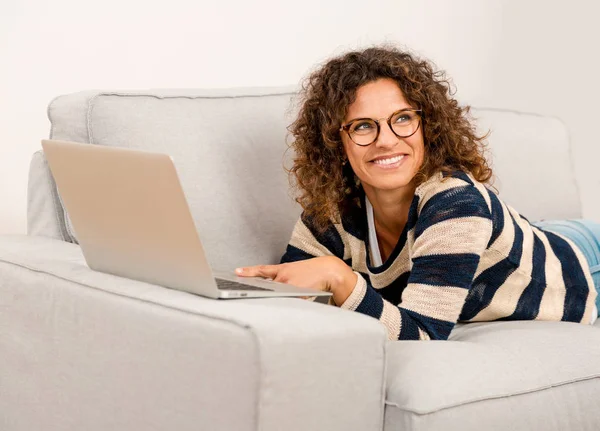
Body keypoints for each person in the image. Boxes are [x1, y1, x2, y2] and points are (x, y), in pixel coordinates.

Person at [234, 46, 600, 341]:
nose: (387, 140)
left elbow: (422, 335)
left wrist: (339, 277)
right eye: (363, 126)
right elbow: (293, 294)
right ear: (336, 143)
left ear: (428, 125)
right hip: (533, 235)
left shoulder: (455, 205)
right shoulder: (330, 213)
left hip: (582, 263)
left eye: (403, 118)